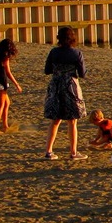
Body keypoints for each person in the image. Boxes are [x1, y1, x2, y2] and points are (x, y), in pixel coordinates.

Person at [43, 26, 88, 160]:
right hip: (70, 86)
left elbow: (47, 70)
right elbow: (82, 73)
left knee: (55, 120)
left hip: (56, 85)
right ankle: (73, 152)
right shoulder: (76, 53)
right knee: (72, 121)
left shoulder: (54, 52)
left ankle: (49, 151)